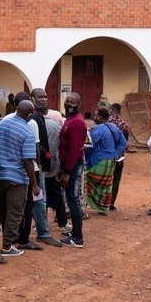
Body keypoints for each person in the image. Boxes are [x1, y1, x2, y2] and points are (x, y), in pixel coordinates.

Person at [0, 100, 41, 263]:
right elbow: (27, 160)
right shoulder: (27, 132)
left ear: (16, 109)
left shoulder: (2, 124)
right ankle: (7, 246)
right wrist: (34, 184)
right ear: (30, 115)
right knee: (15, 212)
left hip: (0, 174)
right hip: (17, 178)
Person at [28, 88, 63, 247]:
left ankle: (39, 230)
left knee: (37, 199)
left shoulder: (40, 117)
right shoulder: (33, 118)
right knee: (39, 199)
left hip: (39, 165)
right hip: (35, 165)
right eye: (40, 97)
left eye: (45, 96)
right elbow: (36, 144)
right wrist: (43, 157)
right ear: (32, 99)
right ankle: (43, 233)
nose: (43, 99)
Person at [84, 107, 126, 215]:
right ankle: (102, 207)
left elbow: (89, 145)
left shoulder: (98, 129)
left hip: (98, 160)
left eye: (96, 115)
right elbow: (123, 142)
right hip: (111, 162)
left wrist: (84, 157)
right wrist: (116, 154)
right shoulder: (114, 127)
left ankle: (82, 207)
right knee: (105, 186)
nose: (94, 117)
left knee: (84, 179)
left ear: (100, 117)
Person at [59, 92, 87, 247]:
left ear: (79, 104)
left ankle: (77, 237)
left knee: (73, 200)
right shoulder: (70, 119)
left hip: (73, 165)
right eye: (67, 101)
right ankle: (75, 231)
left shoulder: (76, 122)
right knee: (70, 199)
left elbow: (75, 148)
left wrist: (67, 172)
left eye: (73, 102)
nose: (69, 104)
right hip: (69, 164)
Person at [108, 103, 130, 211]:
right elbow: (125, 142)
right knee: (116, 179)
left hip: (106, 155)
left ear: (110, 110)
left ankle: (103, 203)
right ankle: (111, 204)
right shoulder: (124, 125)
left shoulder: (106, 123)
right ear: (120, 112)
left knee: (106, 179)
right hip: (119, 156)